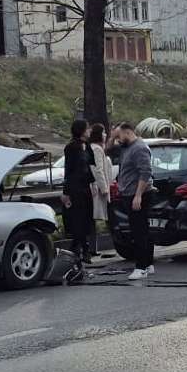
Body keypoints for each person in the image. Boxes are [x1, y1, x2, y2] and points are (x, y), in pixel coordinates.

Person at [114, 121, 154, 280]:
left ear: (127, 132)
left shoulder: (139, 148)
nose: (118, 139)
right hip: (130, 193)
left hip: (137, 195)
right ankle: (148, 263)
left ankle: (141, 267)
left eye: (119, 135)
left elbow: (145, 173)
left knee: (139, 232)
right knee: (143, 229)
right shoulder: (127, 147)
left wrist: (138, 195)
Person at [61, 119, 95, 260]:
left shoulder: (87, 146)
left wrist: (93, 183)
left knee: (87, 217)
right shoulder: (71, 147)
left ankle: (76, 249)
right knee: (78, 219)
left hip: (86, 186)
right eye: (87, 129)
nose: (89, 131)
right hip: (75, 187)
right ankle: (84, 249)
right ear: (81, 130)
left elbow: (91, 164)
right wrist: (66, 191)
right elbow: (69, 170)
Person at [88, 123, 115, 258]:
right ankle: (92, 248)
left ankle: (92, 248)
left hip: (98, 187)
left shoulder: (96, 148)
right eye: (103, 132)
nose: (105, 135)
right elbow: (98, 169)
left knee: (94, 219)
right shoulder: (97, 149)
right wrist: (104, 188)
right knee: (97, 217)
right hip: (98, 189)